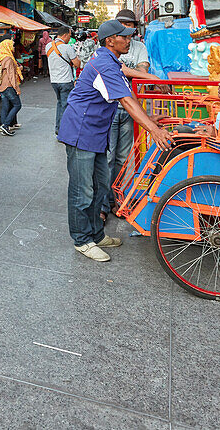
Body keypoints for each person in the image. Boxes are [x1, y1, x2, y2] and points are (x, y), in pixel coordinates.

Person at [58, 19, 171, 262]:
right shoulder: (104, 64)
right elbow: (126, 100)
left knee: (101, 186)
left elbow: (127, 83)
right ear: (110, 40)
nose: (129, 41)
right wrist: (153, 129)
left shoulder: (110, 60)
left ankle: (97, 235)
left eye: (130, 37)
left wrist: (152, 102)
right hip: (81, 131)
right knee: (82, 191)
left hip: (96, 132)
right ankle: (82, 240)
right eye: (125, 37)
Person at [102, 9, 151, 218]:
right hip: (112, 109)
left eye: (129, 25)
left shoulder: (138, 47)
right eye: (122, 26)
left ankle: (117, 200)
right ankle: (103, 206)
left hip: (131, 109)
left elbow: (143, 72)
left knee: (123, 158)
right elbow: (123, 71)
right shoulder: (108, 52)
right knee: (107, 158)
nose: (127, 30)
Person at [46, 24, 79, 139]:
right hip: (65, 81)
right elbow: (77, 64)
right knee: (65, 106)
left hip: (54, 81)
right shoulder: (67, 47)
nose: (70, 38)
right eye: (69, 36)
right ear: (65, 35)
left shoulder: (48, 46)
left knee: (60, 103)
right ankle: (62, 132)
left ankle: (58, 128)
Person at [0, 37, 22, 137]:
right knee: (17, 105)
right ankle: (6, 125)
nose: (14, 47)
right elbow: (11, 76)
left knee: (5, 106)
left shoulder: (1, 58)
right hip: (8, 86)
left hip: (1, 86)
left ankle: (3, 125)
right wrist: (17, 88)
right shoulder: (9, 59)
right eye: (12, 45)